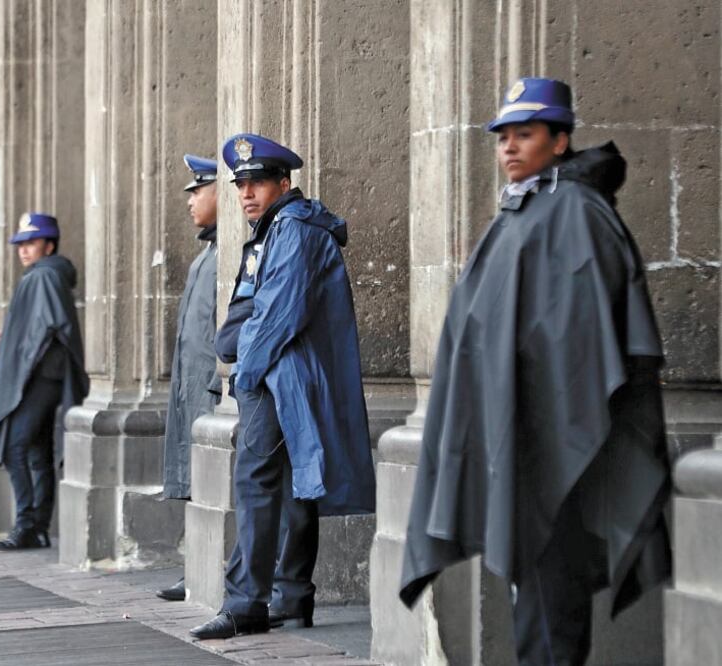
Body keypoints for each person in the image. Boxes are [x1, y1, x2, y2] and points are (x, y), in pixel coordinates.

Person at [399, 78, 672, 666]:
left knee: (549, 610)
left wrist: (533, 432)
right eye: (503, 138)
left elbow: (582, 346)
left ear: (560, 139)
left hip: (556, 450)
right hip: (520, 445)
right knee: (536, 609)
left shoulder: (575, 212)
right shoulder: (528, 206)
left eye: (525, 135)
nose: (509, 149)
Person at [190, 134, 376, 640]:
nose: (247, 193)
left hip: (277, 377)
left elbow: (278, 314)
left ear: (284, 183)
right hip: (286, 376)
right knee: (295, 490)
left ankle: (246, 602)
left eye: (257, 183)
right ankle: (291, 598)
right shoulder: (281, 227)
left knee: (255, 485)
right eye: (241, 184)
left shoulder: (291, 229)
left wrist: (244, 372)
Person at [0, 213, 89, 551]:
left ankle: (27, 523)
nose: (24, 250)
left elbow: (46, 331)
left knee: (14, 443)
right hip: (49, 373)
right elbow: (41, 327)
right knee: (38, 449)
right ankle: (38, 526)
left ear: (49, 244)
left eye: (31, 243)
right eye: (20, 245)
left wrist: (20, 350)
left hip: (40, 375)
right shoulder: (48, 275)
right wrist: (11, 338)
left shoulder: (41, 277)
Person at [156, 154, 221, 602]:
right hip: (192, 387)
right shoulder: (208, 253)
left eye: (198, 190)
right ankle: (198, 566)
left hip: (214, 390)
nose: (190, 201)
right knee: (196, 476)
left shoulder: (227, 253)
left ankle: (212, 568)